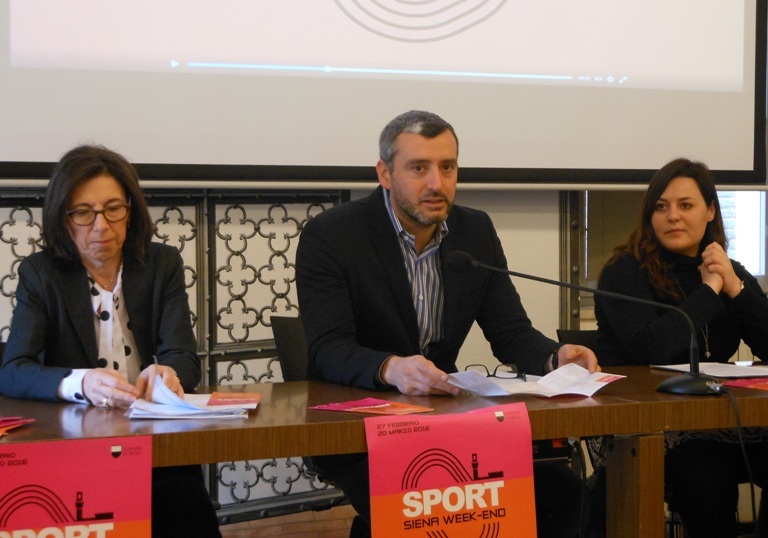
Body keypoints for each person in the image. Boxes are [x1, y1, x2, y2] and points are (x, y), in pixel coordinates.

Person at [296, 110, 599, 538]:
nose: (437, 183)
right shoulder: (332, 235)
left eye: (447, 167)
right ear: (385, 173)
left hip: (443, 422)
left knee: (559, 491)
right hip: (361, 425)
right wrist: (392, 367)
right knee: (423, 500)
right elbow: (328, 348)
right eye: (419, 168)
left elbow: (510, 331)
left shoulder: (474, 231)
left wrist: (555, 356)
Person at [0, 145, 221, 538]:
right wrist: (80, 382)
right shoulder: (41, 273)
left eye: (113, 208)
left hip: (152, 443)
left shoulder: (161, 263)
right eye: (83, 212)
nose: (100, 225)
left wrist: (166, 373)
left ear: (131, 211)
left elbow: (185, 358)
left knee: (186, 507)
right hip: (72, 448)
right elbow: (14, 371)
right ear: (63, 220)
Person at [594, 158, 768, 537]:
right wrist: (709, 292)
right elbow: (652, 349)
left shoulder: (727, 269)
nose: (672, 216)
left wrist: (736, 289)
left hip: (724, 421)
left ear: (709, 211)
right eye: (661, 206)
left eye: (685, 205)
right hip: (657, 427)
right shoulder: (625, 272)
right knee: (707, 478)